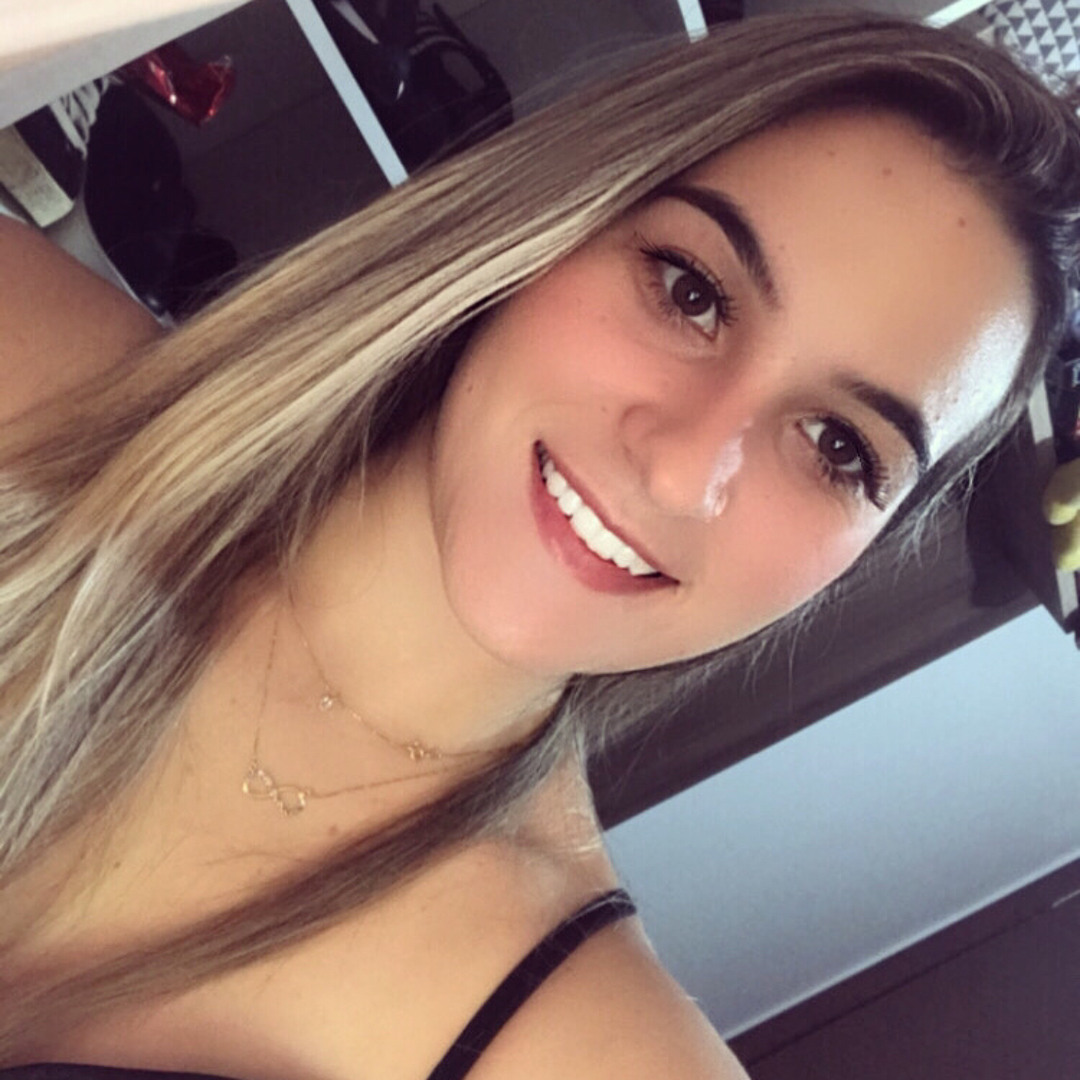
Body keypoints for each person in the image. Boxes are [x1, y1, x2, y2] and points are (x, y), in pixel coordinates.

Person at [1, 10, 1078, 1079]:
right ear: (555, 218)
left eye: (839, 447)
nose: (682, 470)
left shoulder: (599, 1056)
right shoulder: (41, 378)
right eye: (692, 292)